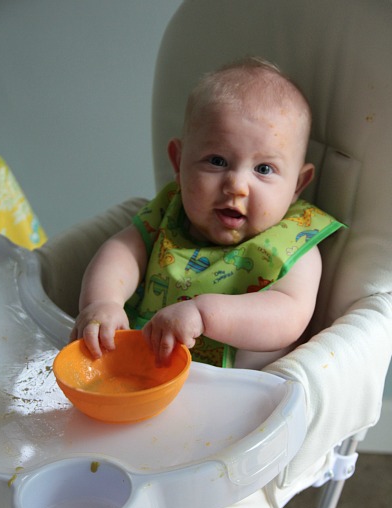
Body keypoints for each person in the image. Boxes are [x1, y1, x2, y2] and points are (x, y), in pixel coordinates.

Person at [71, 57, 344, 368]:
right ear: (178, 162)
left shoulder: (296, 246)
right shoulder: (169, 214)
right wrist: (103, 302)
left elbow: (288, 316)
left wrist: (204, 315)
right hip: (136, 372)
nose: (236, 186)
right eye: (217, 161)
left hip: (231, 398)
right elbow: (122, 252)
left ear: (297, 185)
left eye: (264, 169)